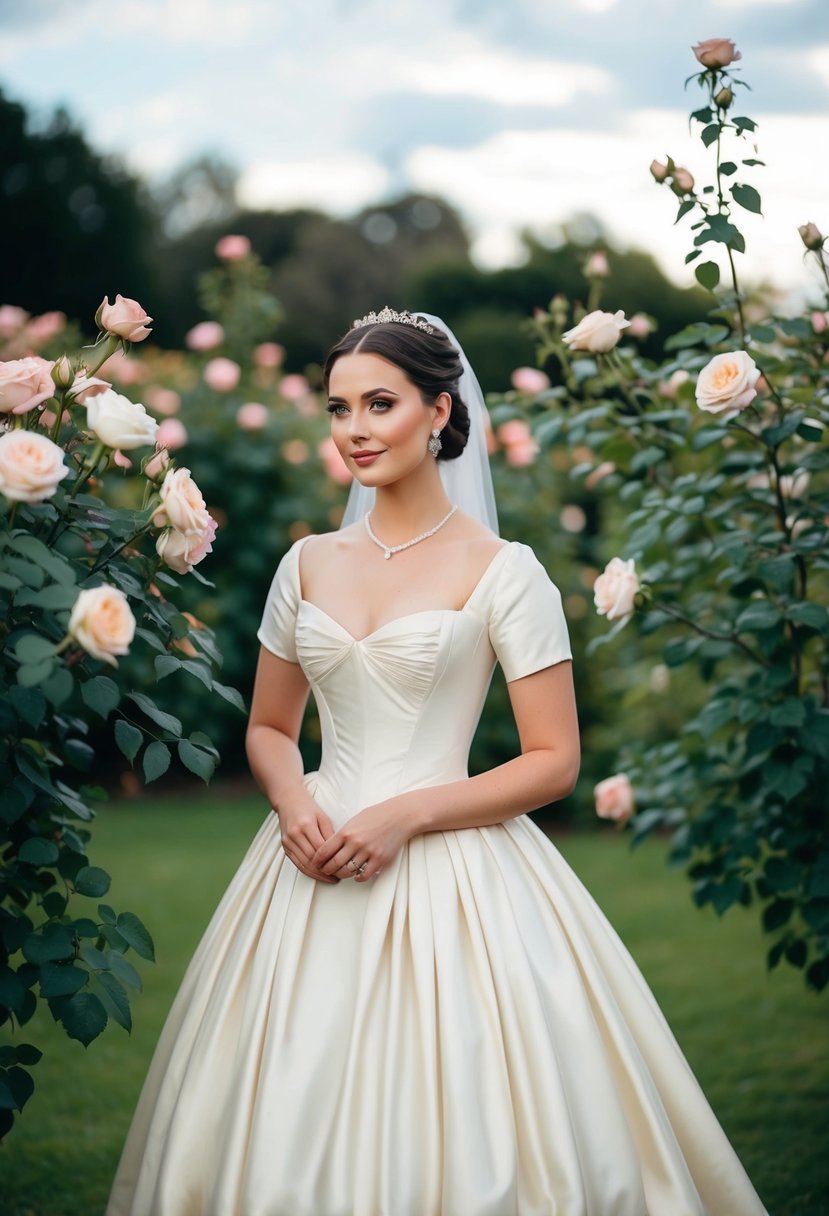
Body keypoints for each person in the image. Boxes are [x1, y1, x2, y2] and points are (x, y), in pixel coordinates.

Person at [107, 308, 768, 1216]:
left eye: (380, 404)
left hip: (453, 867)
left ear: (439, 411)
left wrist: (406, 813)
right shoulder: (305, 564)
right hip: (308, 859)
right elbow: (267, 727)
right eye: (339, 409)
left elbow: (553, 760)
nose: (355, 430)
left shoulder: (506, 570)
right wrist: (292, 800)